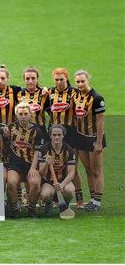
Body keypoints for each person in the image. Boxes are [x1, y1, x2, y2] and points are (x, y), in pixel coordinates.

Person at [47, 68, 84, 208]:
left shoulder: (75, 92)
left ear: (66, 78)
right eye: (56, 79)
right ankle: (56, 199)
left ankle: (80, 197)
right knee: (55, 165)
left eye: (61, 79)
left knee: (73, 166)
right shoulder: (49, 93)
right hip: (54, 133)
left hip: (71, 133)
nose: (59, 82)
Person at [73, 70, 106, 211]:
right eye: (78, 82)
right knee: (87, 169)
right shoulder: (76, 95)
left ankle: (97, 202)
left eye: (82, 81)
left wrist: (99, 142)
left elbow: (100, 122)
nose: (80, 84)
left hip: (93, 139)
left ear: (88, 80)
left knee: (96, 170)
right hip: (81, 137)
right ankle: (92, 199)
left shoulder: (97, 98)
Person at [5, 102, 44, 218]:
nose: (23, 116)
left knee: (35, 184)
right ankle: (14, 209)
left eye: (25, 113)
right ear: (17, 115)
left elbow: (38, 151)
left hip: (31, 164)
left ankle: (31, 209)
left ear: (30, 115)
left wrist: (33, 167)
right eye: (20, 114)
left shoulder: (37, 131)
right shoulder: (10, 128)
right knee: (11, 183)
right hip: (15, 165)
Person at [38, 124, 77, 217]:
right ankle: (49, 204)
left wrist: (62, 185)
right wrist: (46, 165)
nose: (57, 137)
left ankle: (65, 205)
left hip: (64, 181)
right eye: (54, 135)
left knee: (70, 190)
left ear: (63, 135)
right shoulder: (44, 149)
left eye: (59, 135)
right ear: (50, 135)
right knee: (45, 195)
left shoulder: (69, 150)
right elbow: (41, 173)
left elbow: (72, 173)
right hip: (48, 182)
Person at [17, 66, 49, 140]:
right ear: (24, 80)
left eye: (33, 78)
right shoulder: (18, 94)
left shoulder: (44, 93)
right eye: (27, 79)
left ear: (37, 79)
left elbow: (52, 113)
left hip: (40, 130)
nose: (30, 81)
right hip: (23, 131)